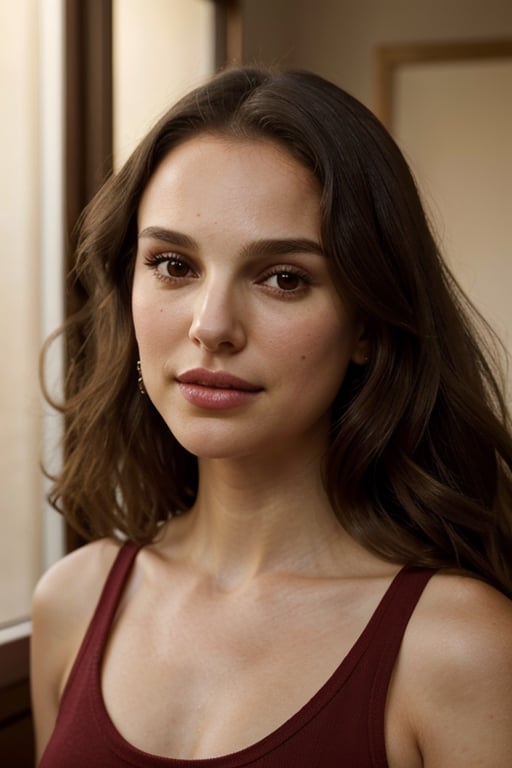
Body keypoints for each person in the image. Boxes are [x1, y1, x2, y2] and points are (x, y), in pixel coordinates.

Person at [31, 66, 512, 767]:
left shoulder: (459, 648)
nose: (212, 326)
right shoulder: (71, 602)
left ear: (370, 325)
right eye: (172, 264)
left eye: (283, 278)